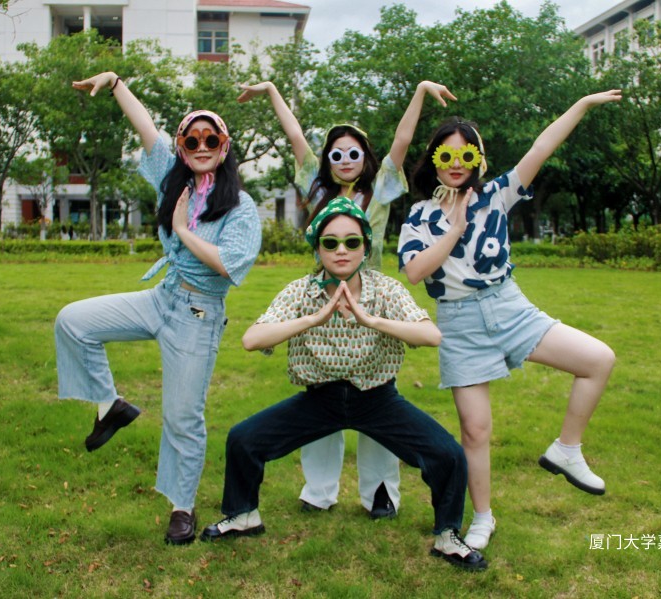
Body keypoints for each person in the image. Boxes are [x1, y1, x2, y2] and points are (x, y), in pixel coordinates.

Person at [199, 197, 486, 571]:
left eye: (352, 242)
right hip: (320, 400)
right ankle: (243, 515)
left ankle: (447, 536)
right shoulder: (301, 291)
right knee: (243, 440)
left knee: (448, 455)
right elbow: (252, 339)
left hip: (378, 399)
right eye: (330, 242)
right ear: (317, 248)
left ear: (365, 247)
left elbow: (431, 335)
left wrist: (371, 321)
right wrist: (312, 319)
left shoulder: (385, 289)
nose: (341, 250)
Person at [397, 90, 622, 551]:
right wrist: (455, 230)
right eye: (446, 155)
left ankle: (567, 449)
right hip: (459, 323)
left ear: (478, 160)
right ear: (433, 160)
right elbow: (415, 272)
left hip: (509, 307)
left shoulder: (496, 194)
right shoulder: (420, 215)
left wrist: (580, 104)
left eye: (466, 155)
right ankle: (483, 516)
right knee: (475, 430)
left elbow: (542, 147)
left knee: (598, 359)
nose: (455, 164)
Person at [54, 71, 262, 546]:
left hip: (198, 314)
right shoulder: (173, 180)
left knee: (182, 417)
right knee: (73, 321)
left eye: (211, 139)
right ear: (182, 148)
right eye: (192, 139)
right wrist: (115, 84)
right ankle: (109, 404)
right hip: (160, 298)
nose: (202, 145)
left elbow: (229, 264)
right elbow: (146, 128)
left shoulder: (240, 206)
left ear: (225, 147)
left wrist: (183, 230)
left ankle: (181, 507)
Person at [237, 80, 455, 519]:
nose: (346, 160)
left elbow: (402, 141)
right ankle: (319, 491)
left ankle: (381, 493)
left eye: (354, 153)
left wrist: (419, 91)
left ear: (366, 157)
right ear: (327, 160)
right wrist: (272, 91)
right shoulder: (316, 188)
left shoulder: (381, 188)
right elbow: (295, 136)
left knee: (378, 392)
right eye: (336, 154)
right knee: (319, 391)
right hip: (322, 294)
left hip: (371, 298)